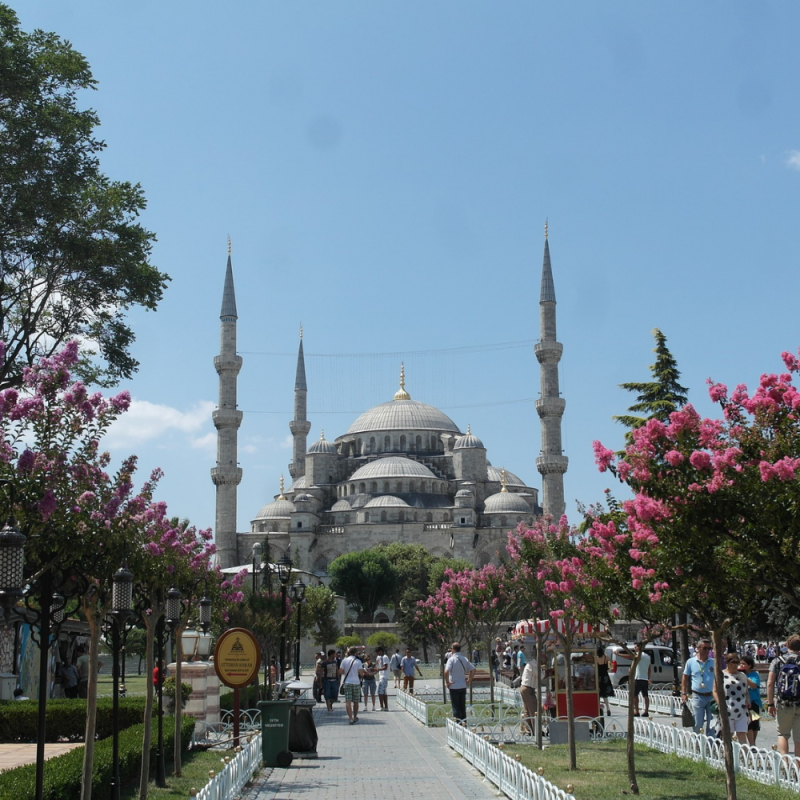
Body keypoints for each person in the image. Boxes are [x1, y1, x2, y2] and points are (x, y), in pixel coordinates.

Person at [767, 633, 800, 756]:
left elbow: (770, 683)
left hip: (783, 703)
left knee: (783, 734)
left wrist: (770, 703)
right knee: (799, 739)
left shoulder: (777, 661)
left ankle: (785, 764)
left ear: (787, 645)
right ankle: (798, 768)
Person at [713, 651, 748, 744]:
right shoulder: (721, 675)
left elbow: (746, 691)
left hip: (741, 708)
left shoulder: (742, 675)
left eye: (737, 662)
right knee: (729, 733)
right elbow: (715, 691)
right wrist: (720, 704)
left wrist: (748, 701)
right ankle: (728, 754)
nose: (735, 665)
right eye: (733, 662)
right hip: (727, 707)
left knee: (742, 733)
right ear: (727, 662)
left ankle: (744, 755)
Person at [682, 638, 715, 734]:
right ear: (698, 648)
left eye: (709, 648)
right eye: (705, 648)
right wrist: (684, 693)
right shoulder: (691, 662)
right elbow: (685, 678)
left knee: (712, 724)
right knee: (697, 723)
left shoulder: (713, 662)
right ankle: (697, 743)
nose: (707, 651)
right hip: (697, 696)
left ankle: (711, 745)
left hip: (712, 696)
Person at [444, 642, 475, 723]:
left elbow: (446, 671)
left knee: (455, 707)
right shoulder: (464, 658)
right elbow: (473, 669)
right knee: (462, 707)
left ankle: (457, 725)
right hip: (462, 685)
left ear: (453, 649)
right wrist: (469, 680)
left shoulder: (451, 659)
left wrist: (447, 682)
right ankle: (464, 724)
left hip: (453, 686)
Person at [620, 642, 651, 717]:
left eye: (635, 647)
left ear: (639, 648)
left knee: (634, 695)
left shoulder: (638, 655)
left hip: (638, 678)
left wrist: (618, 654)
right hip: (645, 678)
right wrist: (648, 678)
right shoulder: (647, 656)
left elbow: (629, 656)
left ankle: (636, 711)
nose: (634, 648)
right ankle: (646, 711)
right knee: (645, 695)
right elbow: (649, 668)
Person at [338, 646, 365, 724]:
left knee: (348, 701)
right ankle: (355, 716)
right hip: (356, 682)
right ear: (356, 653)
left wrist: (346, 672)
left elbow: (340, 672)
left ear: (348, 653)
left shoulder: (344, 661)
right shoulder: (358, 661)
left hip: (347, 682)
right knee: (356, 701)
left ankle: (350, 718)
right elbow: (361, 673)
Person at [740, 654, 761, 746]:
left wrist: (745, 678)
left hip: (754, 702)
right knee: (747, 724)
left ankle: (753, 743)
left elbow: (754, 685)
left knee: (754, 724)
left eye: (744, 664)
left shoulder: (754, 674)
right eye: (740, 664)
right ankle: (751, 744)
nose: (741, 666)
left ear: (749, 665)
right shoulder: (738, 674)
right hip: (743, 702)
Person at [519, 657, 537, 733]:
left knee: (527, 710)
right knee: (533, 709)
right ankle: (535, 730)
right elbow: (541, 675)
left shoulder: (533, 664)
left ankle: (528, 729)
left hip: (528, 688)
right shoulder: (532, 665)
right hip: (527, 688)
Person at [595, 645, 614, 716]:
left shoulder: (596, 658)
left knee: (598, 694)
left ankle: (597, 709)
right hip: (605, 677)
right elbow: (611, 667)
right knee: (605, 695)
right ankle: (608, 709)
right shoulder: (606, 658)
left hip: (598, 676)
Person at [375, 646, 390, 711]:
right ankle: (386, 707)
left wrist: (378, 669)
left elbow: (385, 667)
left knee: (380, 691)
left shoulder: (385, 657)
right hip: (381, 676)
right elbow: (377, 663)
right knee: (383, 692)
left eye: (378, 652)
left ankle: (382, 706)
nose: (377, 654)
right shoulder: (379, 657)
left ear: (381, 651)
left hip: (384, 676)